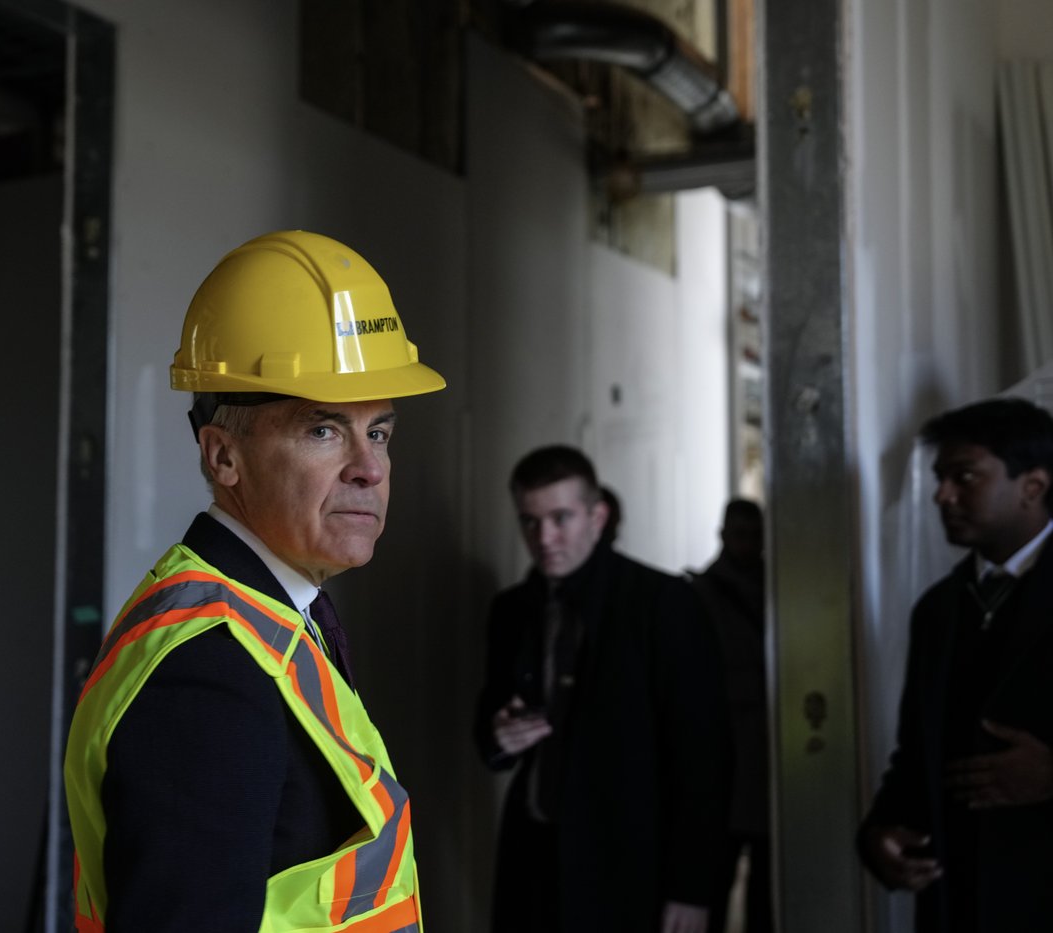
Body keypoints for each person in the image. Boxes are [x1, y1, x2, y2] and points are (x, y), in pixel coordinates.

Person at [64, 230, 445, 932]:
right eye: (325, 430)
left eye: (380, 432)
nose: (370, 467)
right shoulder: (208, 671)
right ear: (224, 456)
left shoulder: (276, 620)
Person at [474, 445, 731, 933]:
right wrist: (497, 739)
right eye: (529, 521)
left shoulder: (664, 604)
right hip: (533, 857)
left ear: (598, 516)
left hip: (631, 864)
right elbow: (491, 720)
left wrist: (693, 889)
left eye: (560, 518)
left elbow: (704, 759)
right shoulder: (511, 610)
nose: (544, 537)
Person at [859, 397, 1053, 932]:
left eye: (965, 476)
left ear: (1032, 486)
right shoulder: (939, 609)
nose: (942, 495)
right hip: (958, 901)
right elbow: (917, 754)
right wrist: (881, 834)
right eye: (940, 478)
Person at [689, 499, 773, 933]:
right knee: (717, 869)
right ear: (724, 536)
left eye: (755, 534)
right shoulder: (701, 595)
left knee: (768, 879)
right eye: (740, 534)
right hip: (725, 752)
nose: (748, 544)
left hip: (767, 750)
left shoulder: (776, 585)